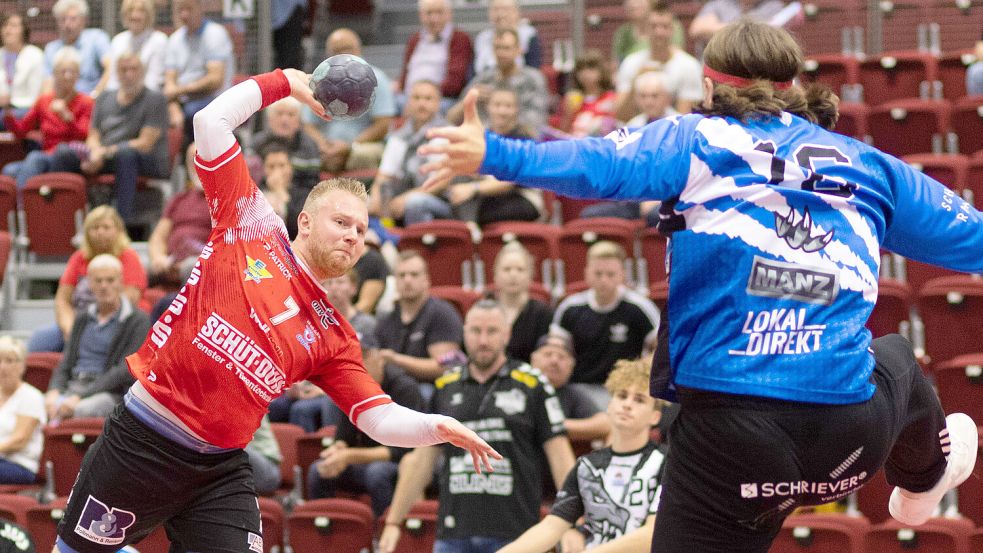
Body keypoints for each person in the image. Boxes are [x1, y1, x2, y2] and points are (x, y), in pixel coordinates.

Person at [416, 19, 981, 553]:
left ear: (709, 85)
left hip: (730, 446)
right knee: (899, 359)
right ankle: (924, 477)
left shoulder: (699, 139)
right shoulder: (870, 165)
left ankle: (921, 474)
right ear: (794, 85)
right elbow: (972, 239)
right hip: (849, 443)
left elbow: (595, 165)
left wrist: (492, 152)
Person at [52, 66, 498, 553]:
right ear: (304, 221)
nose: (352, 235)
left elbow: (376, 417)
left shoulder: (333, 334)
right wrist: (283, 82)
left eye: (360, 230)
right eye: (341, 221)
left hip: (217, 469)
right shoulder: (251, 223)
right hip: (144, 441)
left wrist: (434, 426)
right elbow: (210, 124)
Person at [379, 299, 576, 553]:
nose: (483, 340)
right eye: (475, 331)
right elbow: (421, 460)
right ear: (463, 334)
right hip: (454, 534)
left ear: (507, 334)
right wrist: (394, 521)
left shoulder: (533, 384)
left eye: (492, 331)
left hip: (517, 535)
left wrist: (572, 523)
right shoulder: (445, 386)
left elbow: (560, 456)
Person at [498, 357, 666, 553]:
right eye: (622, 396)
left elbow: (652, 534)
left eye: (639, 399)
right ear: (609, 405)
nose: (627, 404)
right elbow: (551, 527)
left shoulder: (667, 463)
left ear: (655, 416)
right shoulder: (588, 466)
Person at [306, 326, 423, 517]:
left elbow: (402, 452)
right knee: (319, 470)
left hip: (402, 465)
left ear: (381, 358)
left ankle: (382, 536)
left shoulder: (405, 389)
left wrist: (349, 456)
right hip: (366, 461)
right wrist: (337, 450)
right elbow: (344, 436)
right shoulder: (351, 385)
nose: (358, 363)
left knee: (377, 474)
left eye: (365, 356)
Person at [47, 53, 169, 225]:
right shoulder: (104, 97)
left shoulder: (155, 99)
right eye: (123, 70)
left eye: (133, 69)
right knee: (63, 153)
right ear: (117, 74)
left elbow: (145, 143)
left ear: (142, 72)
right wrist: (93, 153)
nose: (129, 74)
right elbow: (93, 135)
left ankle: (120, 226)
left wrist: (103, 153)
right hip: (105, 156)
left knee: (126, 154)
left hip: (143, 159)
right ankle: (62, 224)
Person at [551, 241, 661, 409]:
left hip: (624, 391)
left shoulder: (640, 308)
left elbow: (661, 349)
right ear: (586, 273)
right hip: (578, 389)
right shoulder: (570, 308)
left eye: (610, 274)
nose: (604, 280)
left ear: (622, 275)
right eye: (598, 273)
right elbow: (556, 350)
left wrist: (641, 375)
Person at [268, 268, 376, 432]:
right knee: (272, 405)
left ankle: (312, 455)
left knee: (302, 409)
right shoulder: (313, 322)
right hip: (310, 386)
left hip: (343, 389)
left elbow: (368, 367)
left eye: (340, 282)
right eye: (329, 283)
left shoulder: (366, 323)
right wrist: (295, 386)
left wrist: (321, 390)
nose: (334, 288)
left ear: (353, 288)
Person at [28, 205, 147, 353]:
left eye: (106, 227)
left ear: (118, 231)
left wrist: (96, 329)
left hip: (117, 324)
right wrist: (70, 328)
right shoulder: (79, 257)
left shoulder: (129, 257)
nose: (100, 232)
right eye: (95, 228)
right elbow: (63, 300)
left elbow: (130, 299)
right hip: (79, 322)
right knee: (37, 342)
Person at [45, 254, 150, 421]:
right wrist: (53, 391)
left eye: (110, 280)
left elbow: (125, 370)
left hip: (108, 393)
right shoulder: (83, 318)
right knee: (36, 407)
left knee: (81, 410)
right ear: (89, 284)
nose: (104, 286)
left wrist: (80, 397)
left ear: (120, 281)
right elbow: (66, 362)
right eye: (98, 281)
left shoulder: (138, 320)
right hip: (74, 386)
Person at [303, 28, 396, 174]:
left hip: (361, 145)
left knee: (364, 155)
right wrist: (322, 144)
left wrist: (350, 146)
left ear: (359, 50)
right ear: (328, 55)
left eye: (348, 49)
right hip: (327, 145)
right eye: (337, 50)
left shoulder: (377, 78)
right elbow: (308, 124)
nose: (343, 54)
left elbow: (383, 124)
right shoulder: (319, 80)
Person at [446, 87, 543, 226]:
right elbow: (450, 120)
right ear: (488, 108)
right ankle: (468, 228)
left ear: (517, 110)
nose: (502, 111)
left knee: (466, 209)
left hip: (521, 197)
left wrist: (473, 188)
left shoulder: (524, 139)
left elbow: (508, 183)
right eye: (497, 105)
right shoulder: (483, 137)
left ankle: (469, 230)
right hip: (486, 196)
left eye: (508, 106)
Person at [376, 250, 463, 400]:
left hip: (432, 388)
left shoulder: (441, 313)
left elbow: (445, 367)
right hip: (393, 388)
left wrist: (396, 359)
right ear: (395, 281)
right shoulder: (386, 320)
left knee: (423, 392)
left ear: (426, 280)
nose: (407, 280)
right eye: (402, 275)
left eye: (414, 274)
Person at [2, 47, 93, 191]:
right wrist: (7, 113)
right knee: (9, 170)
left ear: (78, 75)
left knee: (41, 156)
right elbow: (21, 131)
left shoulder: (86, 102)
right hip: (46, 157)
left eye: (72, 72)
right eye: (63, 71)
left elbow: (85, 134)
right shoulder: (44, 101)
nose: (67, 76)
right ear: (54, 74)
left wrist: (67, 116)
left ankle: (25, 208)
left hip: (72, 157)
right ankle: (20, 209)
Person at [367, 80, 449, 226]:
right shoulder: (399, 136)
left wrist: (406, 198)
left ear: (438, 103)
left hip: (443, 201)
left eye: (428, 98)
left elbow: (441, 182)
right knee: (364, 204)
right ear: (408, 103)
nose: (421, 104)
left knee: (415, 203)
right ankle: (384, 243)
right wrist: (376, 197)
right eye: (416, 98)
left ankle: (416, 245)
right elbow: (384, 176)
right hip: (402, 194)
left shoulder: (447, 134)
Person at [615, 2, 703, 121]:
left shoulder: (689, 66)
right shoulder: (631, 63)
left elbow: (685, 119)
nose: (659, 32)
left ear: (673, 30)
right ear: (646, 30)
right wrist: (635, 81)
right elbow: (621, 116)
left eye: (664, 26)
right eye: (653, 26)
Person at [448, 29, 549, 132]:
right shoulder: (483, 79)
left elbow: (536, 121)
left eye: (506, 48)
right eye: (497, 48)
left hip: (519, 138)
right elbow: (451, 118)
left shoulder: (533, 79)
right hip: (481, 138)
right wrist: (470, 99)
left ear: (519, 50)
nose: (501, 53)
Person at [164, 0, 235, 146]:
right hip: (182, 100)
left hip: (213, 99)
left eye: (188, 9)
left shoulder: (215, 34)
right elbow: (169, 82)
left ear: (200, 8)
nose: (184, 15)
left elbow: (215, 80)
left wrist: (179, 91)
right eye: (180, 10)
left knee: (193, 113)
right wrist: (173, 107)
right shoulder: (175, 39)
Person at [147, 142, 210, 289]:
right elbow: (158, 237)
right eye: (192, 161)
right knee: (140, 267)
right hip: (170, 262)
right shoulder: (179, 199)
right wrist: (158, 257)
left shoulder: (224, 200)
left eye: (202, 160)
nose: (197, 166)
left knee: (191, 267)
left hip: (202, 264)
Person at [530, 333, 609, 443]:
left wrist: (553, 425)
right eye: (548, 354)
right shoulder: (517, 387)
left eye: (561, 357)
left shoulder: (572, 394)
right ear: (533, 358)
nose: (554, 361)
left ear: (571, 365)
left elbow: (605, 424)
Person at [398, 0, 473, 107]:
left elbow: (456, 82)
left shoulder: (459, 38)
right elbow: (405, 73)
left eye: (439, 12)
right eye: (429, 13)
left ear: (449, 14)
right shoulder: (414, 39)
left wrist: (422, 97)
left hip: (442, 98)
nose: (434, 18)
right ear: (421, 15)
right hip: (408, 96)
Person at [491, 242, 552, 363]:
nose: (513, 275)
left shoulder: (543, 313)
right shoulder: (484, 310)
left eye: (520, 269)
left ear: (530, 275)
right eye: (506, 269)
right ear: (495, 275)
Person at [93, 0, 168, 96]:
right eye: (130, 10)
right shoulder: (118, 40)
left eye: (141, 11)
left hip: (147, 99)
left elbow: (153, 82)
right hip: (119, 99)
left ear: (149, 14)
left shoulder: (159, 40)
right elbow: (113, 80)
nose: (135, 15)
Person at [251, 96, 321, 193]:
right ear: (269, 119)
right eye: (279, 114)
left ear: (299, 121)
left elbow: (312, 186)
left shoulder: (309, 147)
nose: (284, 120)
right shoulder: (256, 144)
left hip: (299, 202)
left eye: (291, 115)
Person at [0, 336, 45, 485]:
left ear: (22, 366)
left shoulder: (31, 396)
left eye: (9, 361)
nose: (2, 367)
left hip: (20, 465)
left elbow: (19, 440)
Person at [42, 0, 110, 96]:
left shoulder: (97, 38)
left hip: (93, 102)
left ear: (84, 20)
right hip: (62, 104)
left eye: (73, 19)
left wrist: (95, 95)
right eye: (62, 19)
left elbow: (110, 68)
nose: (67, 24)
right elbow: (48, 83)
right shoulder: (51, 49)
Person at [472, 0, 542, 75]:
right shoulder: (482, 38)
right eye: (496, 9)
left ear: (517, 12)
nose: (500, 14)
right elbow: (472, 71)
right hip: (483, 82)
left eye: (505, 9)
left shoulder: (528, 35)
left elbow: (533, 69)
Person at [560, 50, 618, 138]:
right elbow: (563, 132)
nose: (585, 73)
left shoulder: (611, 98)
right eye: (581, 69)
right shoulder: (572, 99)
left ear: (602, 71)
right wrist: (568, 113)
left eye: (591, 68)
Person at [0, 13, 45, 123]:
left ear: (24, 32)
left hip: (24, 108)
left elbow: (36, 97)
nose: (8, 30)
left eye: (14, 26)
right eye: (5, 26)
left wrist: (10, 101)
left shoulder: (35, 55)